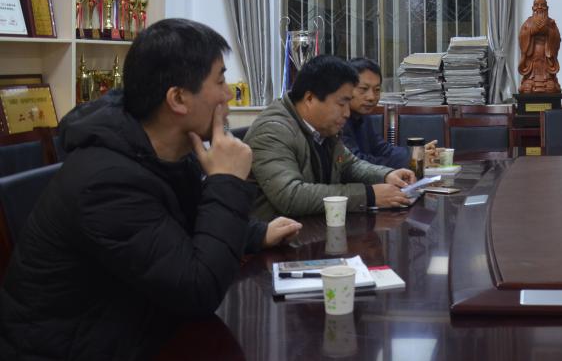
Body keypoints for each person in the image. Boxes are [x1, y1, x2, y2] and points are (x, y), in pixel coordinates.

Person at [0, 19, 302, 360]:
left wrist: (257, 234)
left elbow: (179, 227)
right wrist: (228, 182)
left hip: (136, 331)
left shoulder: (161, 150)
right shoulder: (105, 183)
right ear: (178, 98)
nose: (228, 93)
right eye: (220, 80)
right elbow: (199, 290)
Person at [245, 55, 416, 220]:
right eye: (341, 104)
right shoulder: (272, 131)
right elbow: (291, 196)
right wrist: (368, 195)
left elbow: (350, 165)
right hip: (278, 235)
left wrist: (386, 175)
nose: (347, 113)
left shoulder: (324, 128)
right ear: (310, 98)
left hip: (312, 226)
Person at [342, 57, 437, 168]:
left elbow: (383, 150)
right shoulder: (338, 120)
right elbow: (357, 163)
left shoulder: (363, 117)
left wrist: (417, 152)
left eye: (377, 90)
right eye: (363, 89)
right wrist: (412, 160)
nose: (371, 97)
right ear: (346, 89)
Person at [517, 0, 562, 93]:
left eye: (542, 5)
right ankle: (529, 81)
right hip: (532, 56)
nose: (539, 7)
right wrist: (531, 31)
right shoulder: (528, 22)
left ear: (547, 8)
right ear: (533, 8)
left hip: (546, 56)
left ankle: (549, 80)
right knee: (528, 87)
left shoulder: (551, 23)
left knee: (550, 88)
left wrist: (548, 31)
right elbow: (521, 37)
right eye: (537, 5)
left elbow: (557, 38)